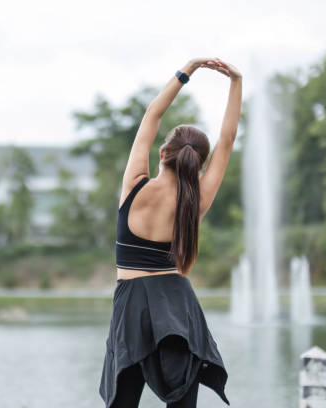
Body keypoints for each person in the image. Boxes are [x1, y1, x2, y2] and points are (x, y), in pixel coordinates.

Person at [99, 57, 242, 408]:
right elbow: (226, 140)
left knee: (123, 402)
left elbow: (152, 115)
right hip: (175, 305)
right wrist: (236, 81)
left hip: (132, 304)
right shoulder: (196, 203)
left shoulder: (134, 186)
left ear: (163, 153)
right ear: (199, 164)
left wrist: (187, 71)